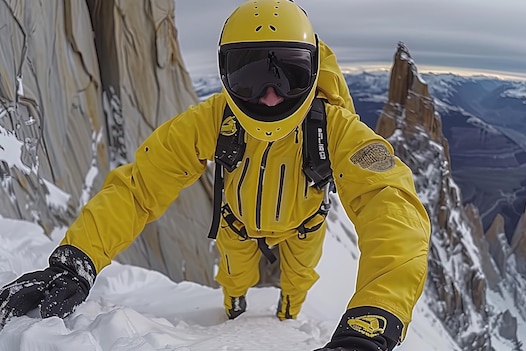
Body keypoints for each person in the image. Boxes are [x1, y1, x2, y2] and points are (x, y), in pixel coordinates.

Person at [0, 1, 431, 350]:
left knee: (297, 285)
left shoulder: (331, 126)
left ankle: (287, 315)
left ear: (314, 72)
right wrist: (77, 260)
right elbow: (140, 186)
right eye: (251, 76)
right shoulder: (213, 120)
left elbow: (390, 203)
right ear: (226, 76)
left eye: (288, 75)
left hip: (303, 228)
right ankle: (238, 315)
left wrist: (372, 321)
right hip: (239, 228)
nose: (269, 96)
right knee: (234, 284)